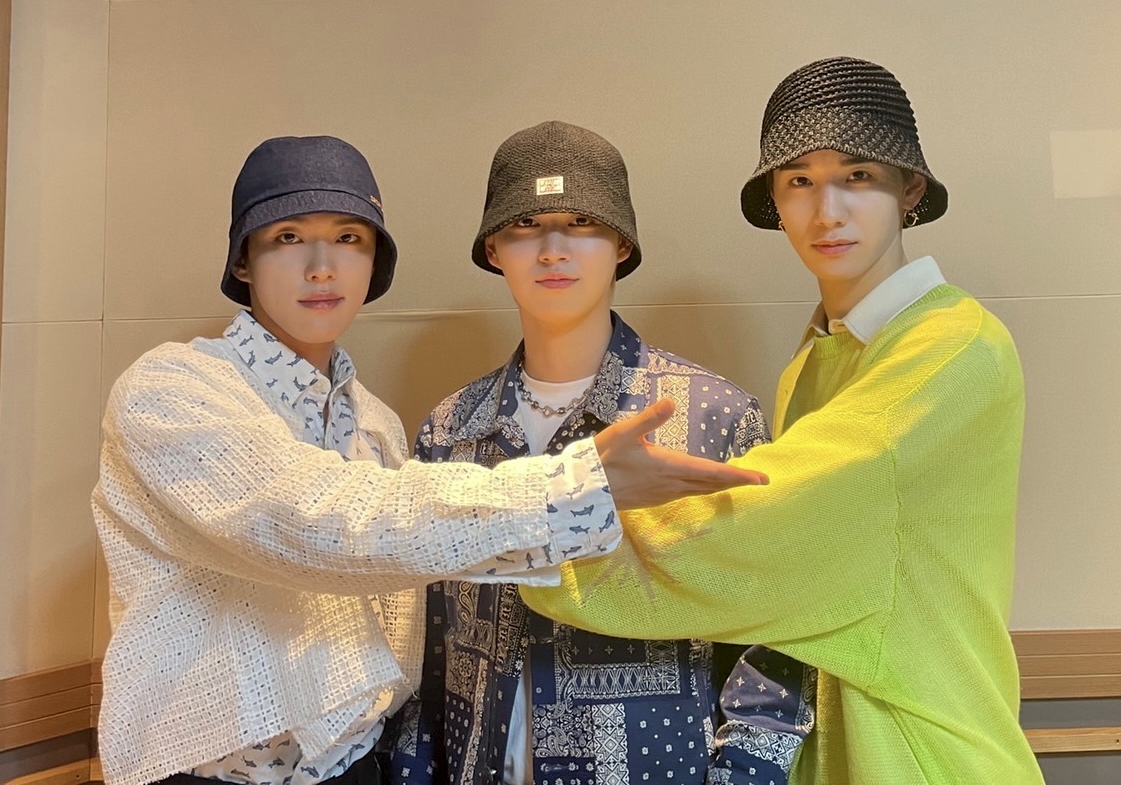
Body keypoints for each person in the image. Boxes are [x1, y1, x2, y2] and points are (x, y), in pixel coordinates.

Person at [90, 135, 765, 785]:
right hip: (217, 773)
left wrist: (748, 771)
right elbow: (322, 526)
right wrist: (577, 490)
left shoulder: (376, 428)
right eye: (288, 237)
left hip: (627, 760)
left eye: (349, 238)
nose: (321, 266)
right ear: (243, 260)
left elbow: (770, 619)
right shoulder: (176, 391)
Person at [522, 58, 1045, 783]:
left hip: (921, 749)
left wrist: (535, 525)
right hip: (841, 741)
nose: (826, 211)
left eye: (857, 175)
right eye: (798, 180)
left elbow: (759, 528)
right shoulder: (820, 354)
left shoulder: (952, 349)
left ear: (910, 190)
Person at [389, 121, 810, 785]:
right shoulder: (451, 431)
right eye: (525, 225)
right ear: (494, 248)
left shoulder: (713, 418)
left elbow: (779, 627)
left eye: (581, 222)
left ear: (621, 244)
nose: (552, 250)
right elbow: (427, 646)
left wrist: (745, 773)